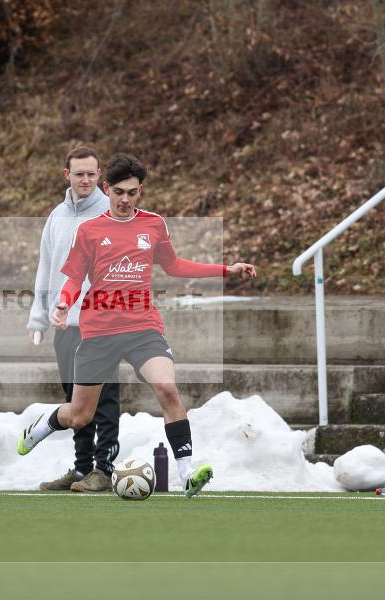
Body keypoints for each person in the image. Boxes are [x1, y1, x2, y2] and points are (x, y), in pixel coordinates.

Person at [16, 153, 257, 497]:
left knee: (167, 389)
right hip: (98, 331)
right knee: (80, 415)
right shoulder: (89, 230)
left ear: (140, 191)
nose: (125, 199)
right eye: (118, 192)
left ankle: (187, 474)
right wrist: (63, 304)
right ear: (106, 189)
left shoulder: (153, 224)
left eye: (132, 192)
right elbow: (72, 279)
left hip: (143, 328)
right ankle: (45, 423)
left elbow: (174, 266)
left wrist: (224, 270)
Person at [28, 146, 120, 493]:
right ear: (66, 175)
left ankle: (104, 470)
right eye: (79, 173)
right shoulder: (57, 216)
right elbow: (46, 268)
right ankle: (82, 469)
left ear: (101, 176)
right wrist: (38, 319)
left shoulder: (112, 215)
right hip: (65, 325)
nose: (85, 179)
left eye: (91, 174)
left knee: (105, 397)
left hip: (103, 325)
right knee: (74, 398)